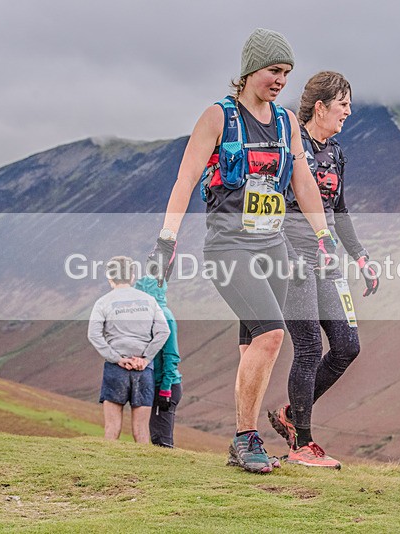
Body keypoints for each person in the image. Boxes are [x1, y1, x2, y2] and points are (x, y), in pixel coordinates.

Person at [147, 29, 332, 473]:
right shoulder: (218, 117)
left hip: (275, 248)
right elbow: (185, 180)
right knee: (271, 335)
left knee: (253, 346)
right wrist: (166, 242)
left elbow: (303, 182)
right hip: (230, 248)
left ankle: (244, 437)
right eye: (274, 70)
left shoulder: (287, 122)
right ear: (251, 69)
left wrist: (324, 236)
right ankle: (246, 438)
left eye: (286, 73)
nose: (281, 80)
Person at [267, 71, 379, 469]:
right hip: (293, 256)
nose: (348, 110)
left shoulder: (336, 152)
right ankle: (303, 443)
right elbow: (274, 206)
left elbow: (340, 210)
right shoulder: (292, 149)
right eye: (343, 103)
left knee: (347, 345)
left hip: (327, 260)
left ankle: (290, 414)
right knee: (311, 347)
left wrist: (361, 257)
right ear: (321, 106)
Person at [88, 256, 169, 443]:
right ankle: (144, 471)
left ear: (110, 277)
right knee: (141, 432)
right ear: (132, 276)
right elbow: (163, 331)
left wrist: (116, 358)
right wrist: (146, 359)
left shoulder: (103, 302)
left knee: (111, 429)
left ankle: (106, 468)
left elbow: (94, 335)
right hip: (143, 370)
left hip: (115, 369)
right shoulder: (148, 301)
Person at [135, 275, 182, 448]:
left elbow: (171, 355)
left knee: (162, 441)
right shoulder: (149, 314)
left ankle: (168, 473)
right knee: (156, 438)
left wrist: (165, 390)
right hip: (154, 383)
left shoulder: (165, 316)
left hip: (165, 385)